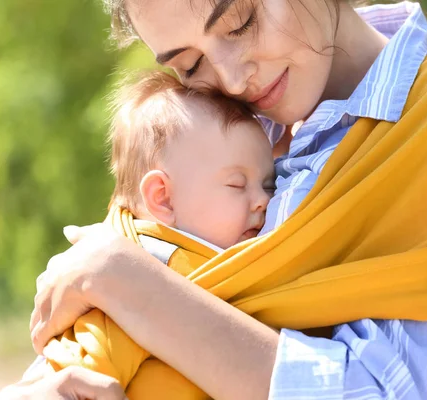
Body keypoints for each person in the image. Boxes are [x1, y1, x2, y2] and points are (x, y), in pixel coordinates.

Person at [0, 1, 427, 399]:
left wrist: (124, 277)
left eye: (240, 22)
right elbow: (99, 331)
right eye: (189, 64)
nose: (231, 77)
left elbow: (390, 391)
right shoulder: (215, 130)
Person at [33, 71, 274, 399]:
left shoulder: (225, 259)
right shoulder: (144, 268)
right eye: (237, 184)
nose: (263, 200)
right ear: (163, 197)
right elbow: (78, 365)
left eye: (269, 185)